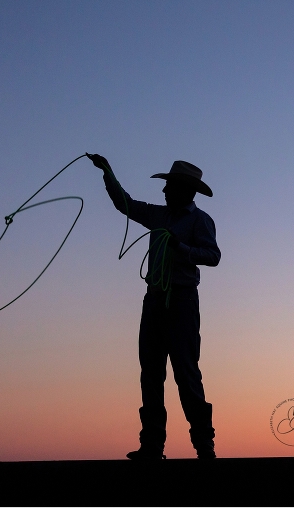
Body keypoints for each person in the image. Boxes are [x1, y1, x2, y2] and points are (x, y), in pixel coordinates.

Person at [87, 153, 220, 460]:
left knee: (186, 374)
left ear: (184, 190)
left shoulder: (201, 220)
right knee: (151, 373)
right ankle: (151, 446)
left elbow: (213, 256)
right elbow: (125, 204)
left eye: (169, 186)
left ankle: (204, 445)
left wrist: (180, 247)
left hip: (183, 301)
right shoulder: (159, 215)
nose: (163, 191)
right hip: (155, 300)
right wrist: (107, 171)